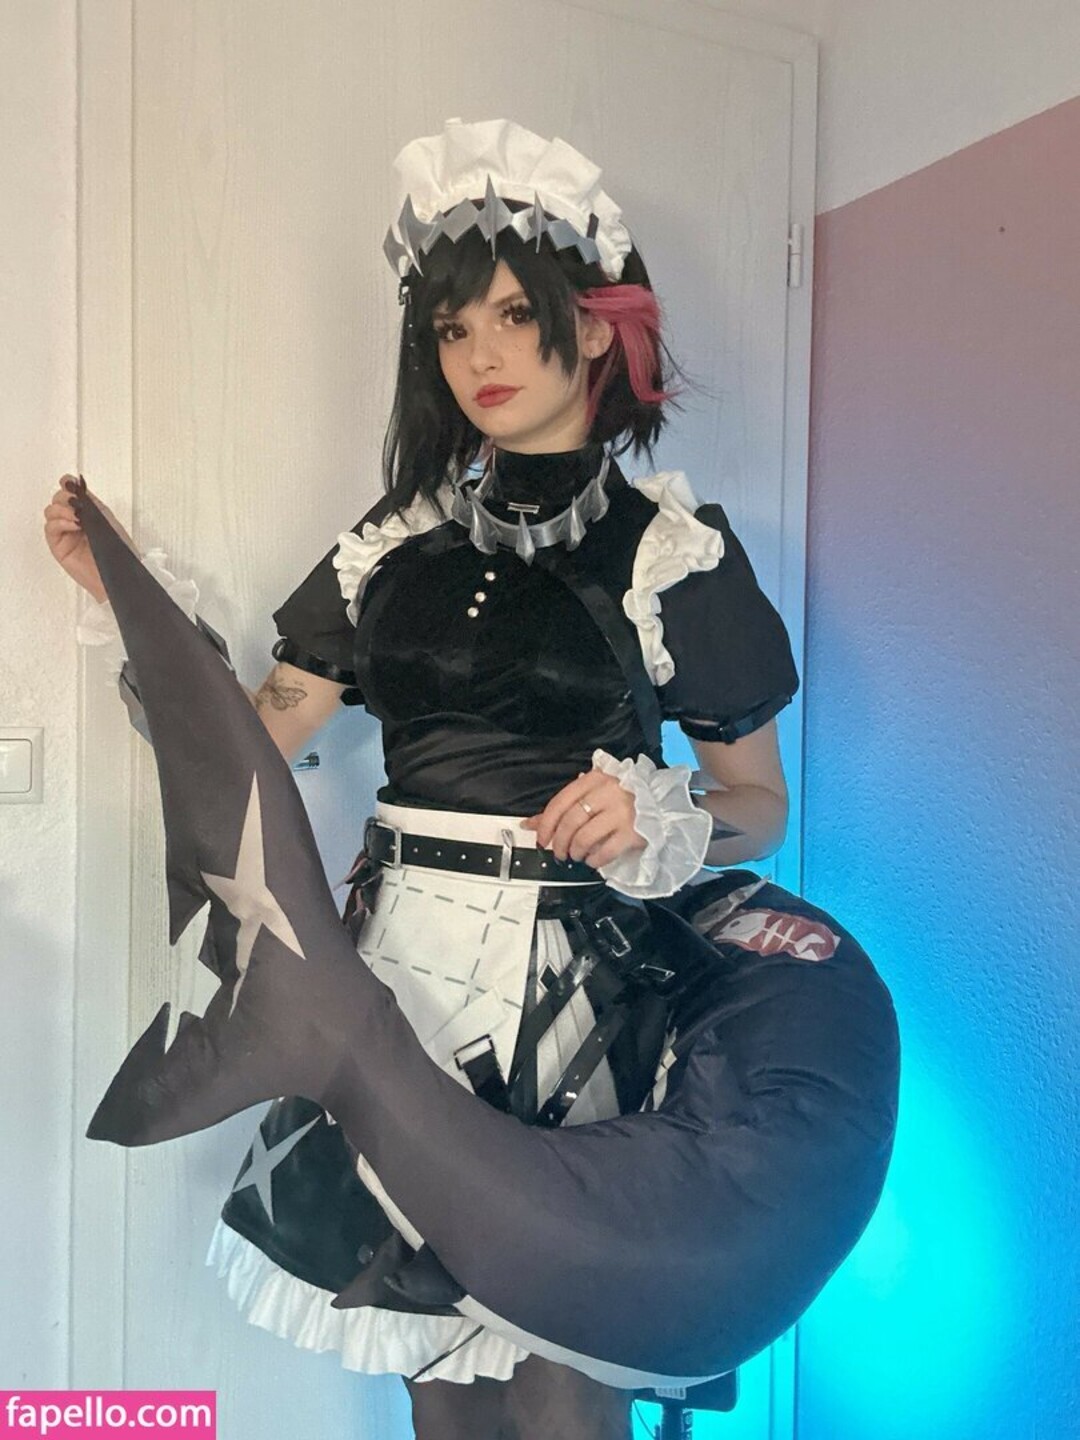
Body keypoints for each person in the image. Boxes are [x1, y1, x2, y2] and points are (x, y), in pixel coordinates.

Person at [45, 118, 799, 1440]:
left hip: (581, 1003)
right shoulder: (390, 546)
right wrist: (134, 608)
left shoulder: (671, 550)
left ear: (598, 327)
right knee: (436, 1382)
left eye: (513, 315)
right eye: (452, 330)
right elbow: (260, 738)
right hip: (396, 986)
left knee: (566, 1383)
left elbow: (761, 806)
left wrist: (662, 809)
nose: (481, 357)